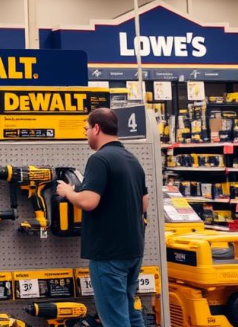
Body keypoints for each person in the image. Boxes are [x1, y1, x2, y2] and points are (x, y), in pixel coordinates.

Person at [57, 108, 149, 327]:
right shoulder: (131, 158)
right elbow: (143, 203)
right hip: (133, 250)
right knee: (130, 311)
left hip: (108, 254)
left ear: (97, 129)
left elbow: (89, 201)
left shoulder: (99, 159)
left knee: (114, 319)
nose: (85, 133)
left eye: (86, 129)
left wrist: (68, 192)